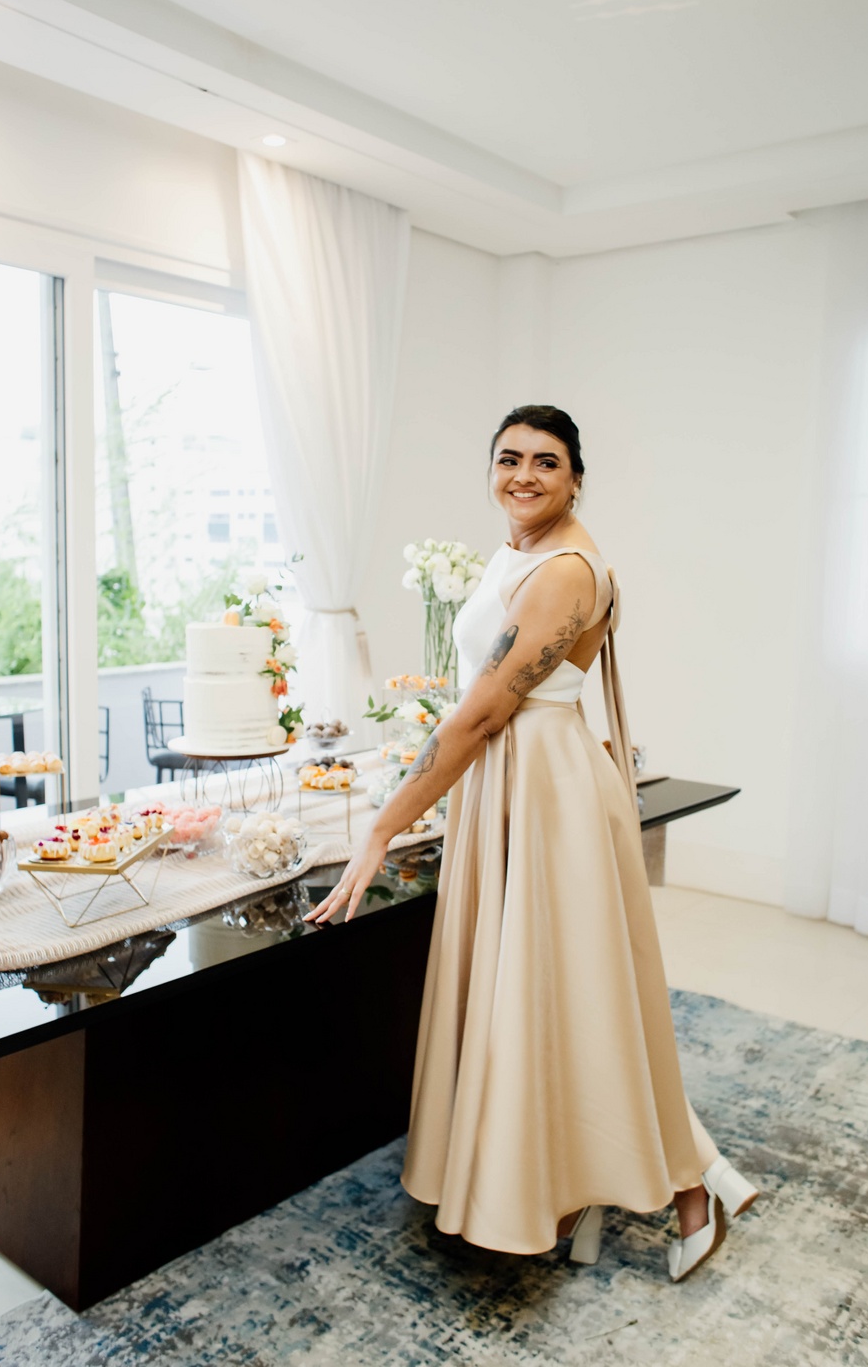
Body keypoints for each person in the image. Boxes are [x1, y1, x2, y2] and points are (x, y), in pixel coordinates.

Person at [304, 405, 758, 1281]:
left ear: (576, 478)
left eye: (545, 462)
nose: (523, 475)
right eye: (507, 458)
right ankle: (577, 1181)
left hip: (544, 791)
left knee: (583, 998)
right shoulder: (514, 551)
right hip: (508, 783)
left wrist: (382, 830)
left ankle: (689, 1184)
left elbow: (480, 716)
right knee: (548, 1001)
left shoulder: (565, 571)